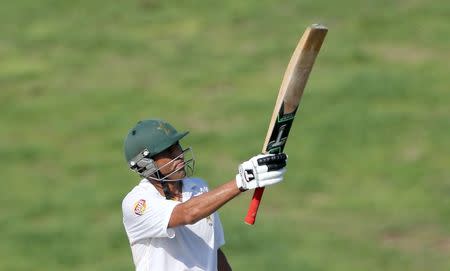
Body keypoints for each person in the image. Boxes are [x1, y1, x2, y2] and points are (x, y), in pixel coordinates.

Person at [121, 119, 287, 271]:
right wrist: (243, 181)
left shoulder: (198, 188)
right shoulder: (136, 204)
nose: (178, 154)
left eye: (177, 146)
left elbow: (213, 252)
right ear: (145, 165)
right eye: (168, 152)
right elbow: (187, 213)